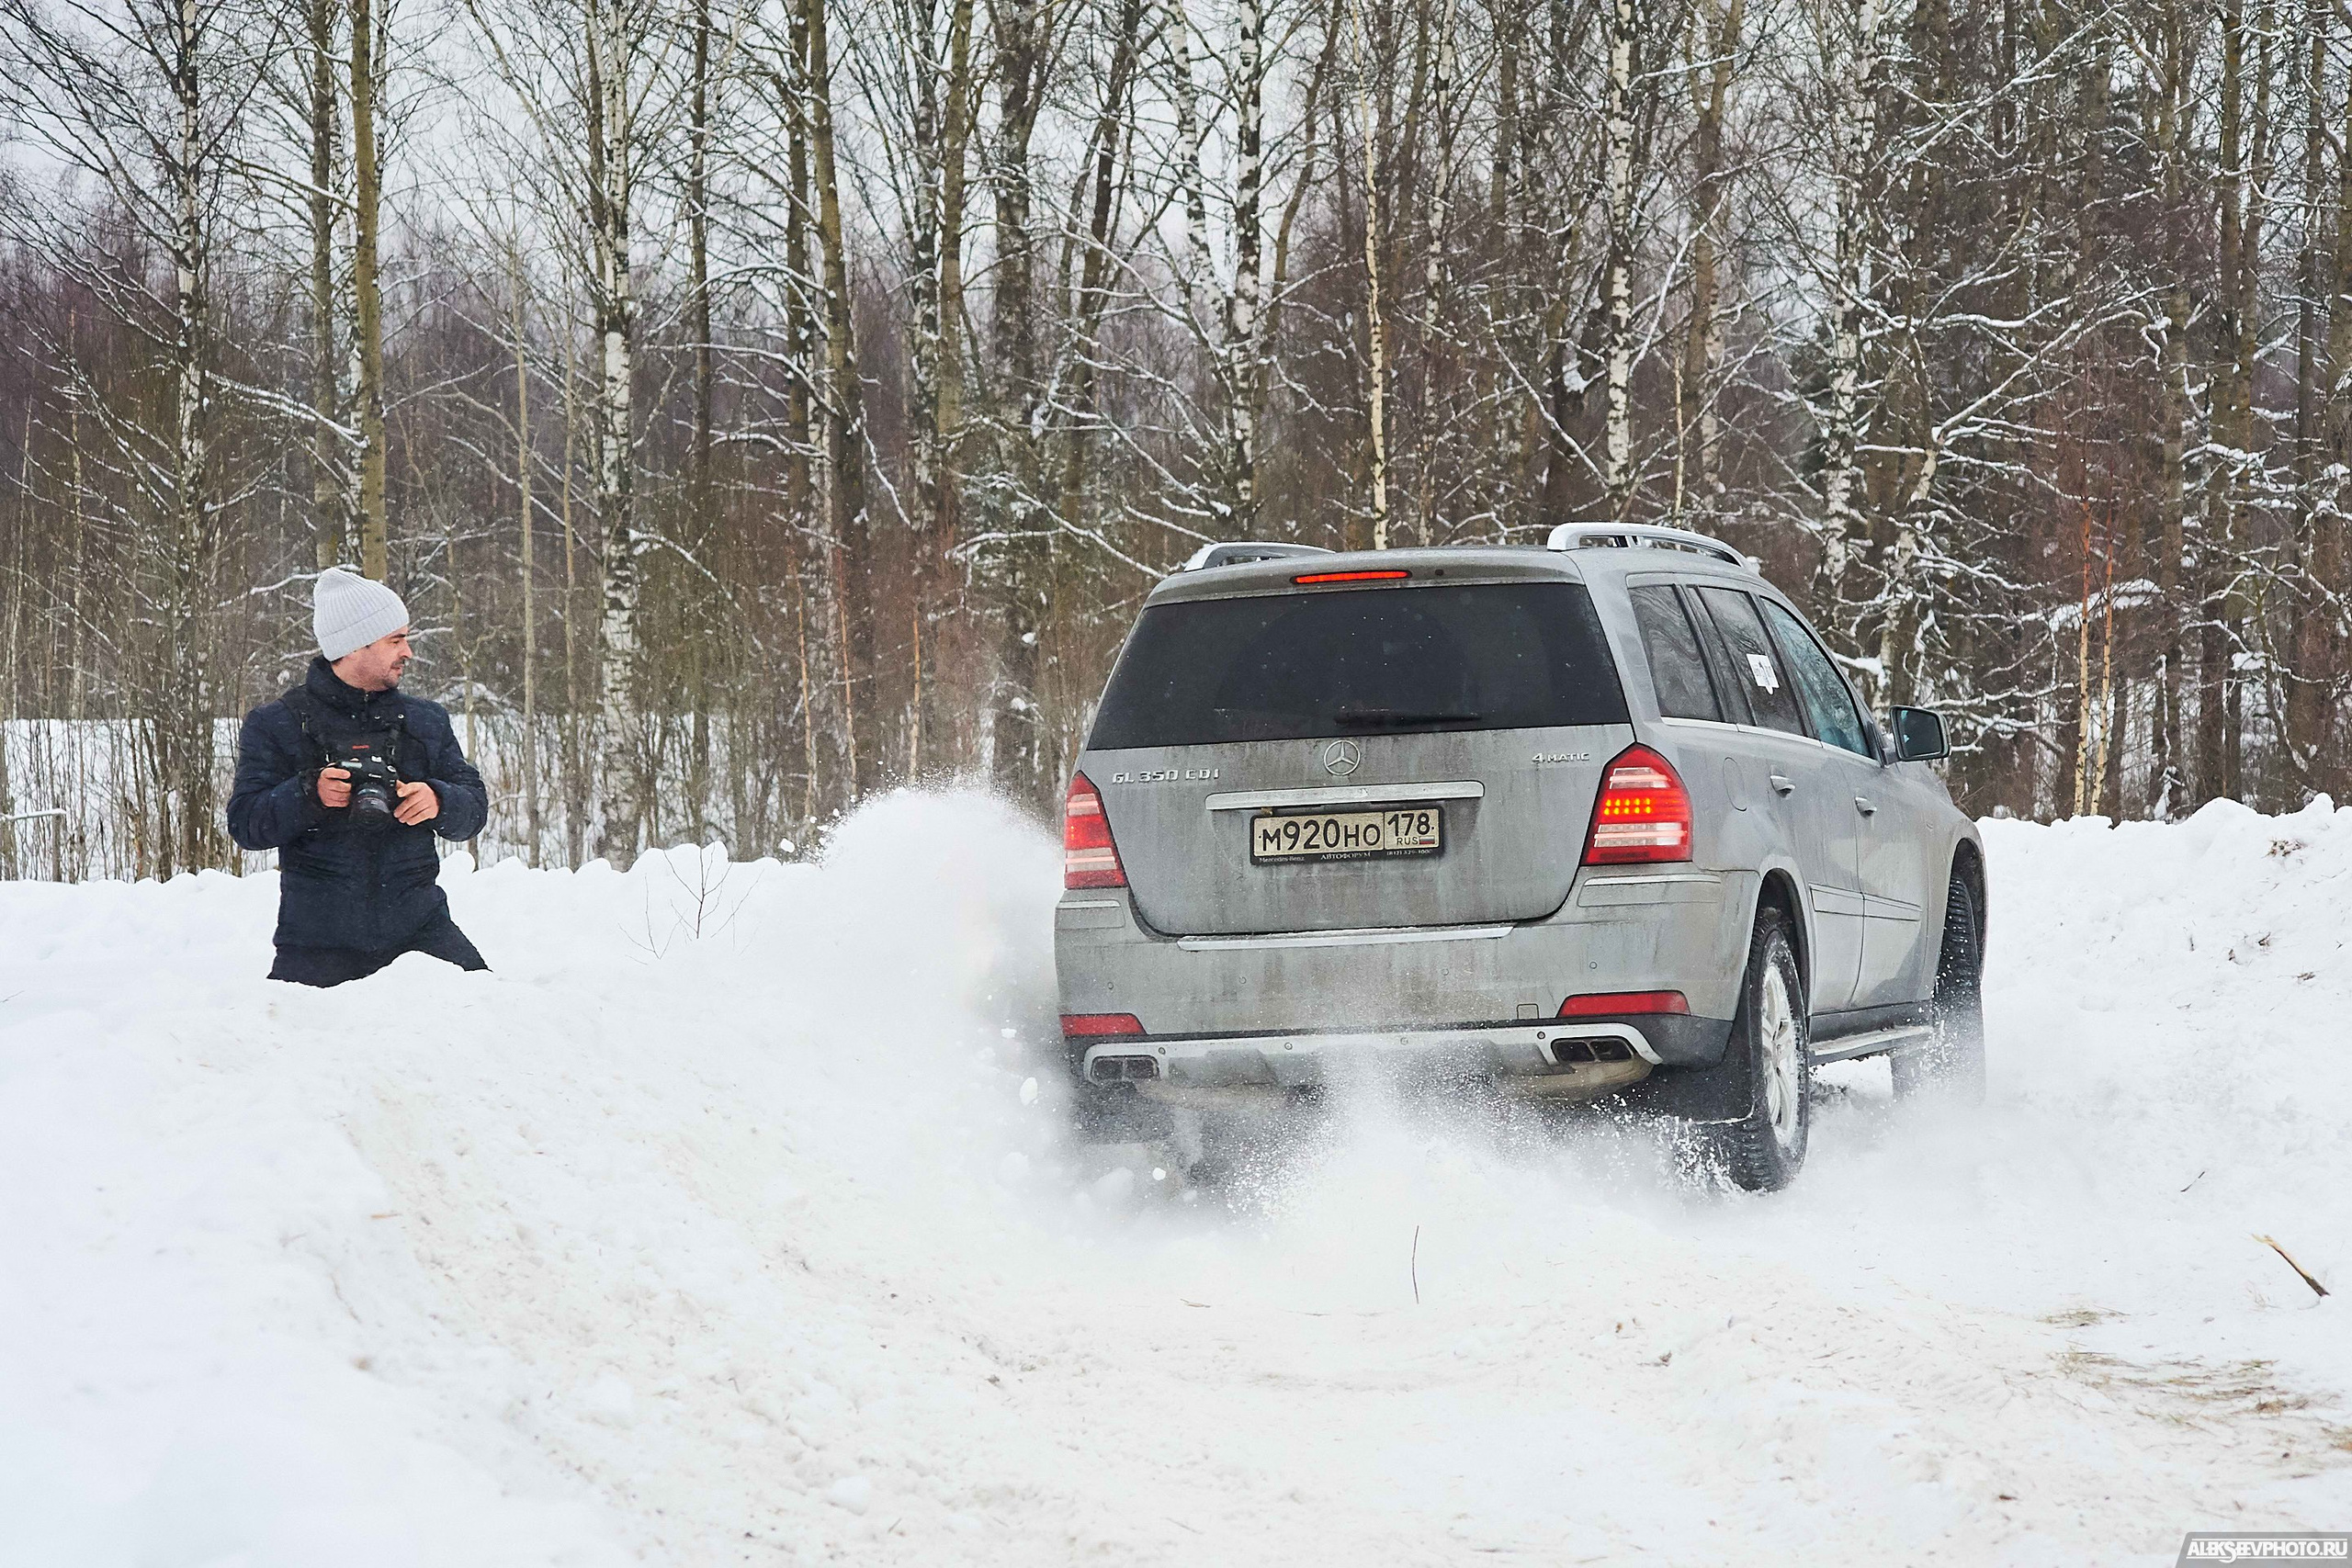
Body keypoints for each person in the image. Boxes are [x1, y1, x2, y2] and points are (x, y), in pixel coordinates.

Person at [227, 569, 491, 986]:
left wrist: (438, 800)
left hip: (420, 933)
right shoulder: (278, 724)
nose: (408, 652)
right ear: (355, 645)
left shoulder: (425, 722)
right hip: (316, 943)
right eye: (395, 640)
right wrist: (309, 793)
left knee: (490, 1007)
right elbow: (245, 824)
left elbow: (474, 810)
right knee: (287, 1026)